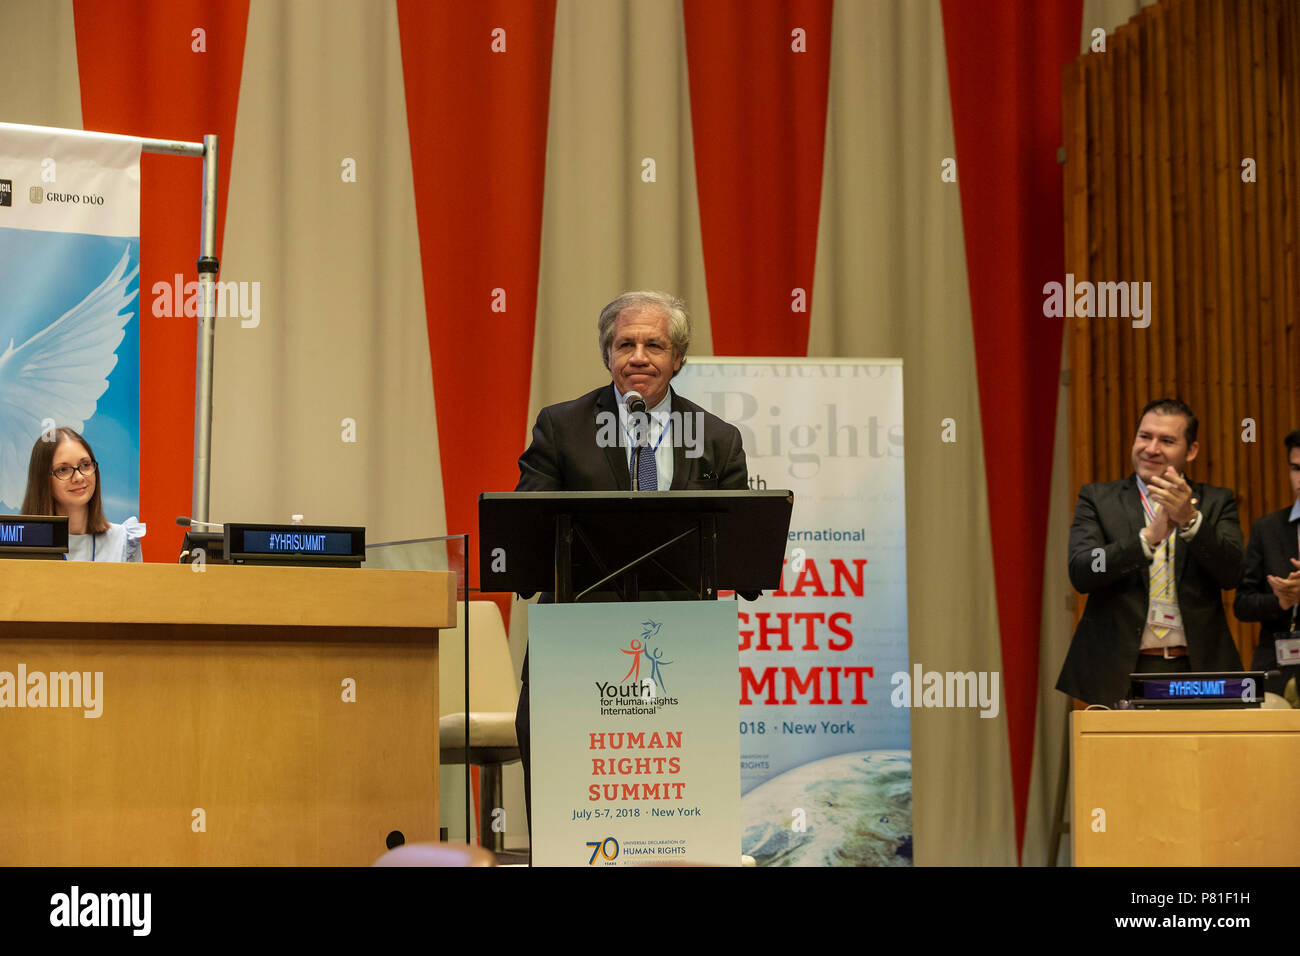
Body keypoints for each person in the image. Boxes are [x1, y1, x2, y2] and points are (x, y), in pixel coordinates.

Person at [513, 290, 749, 838]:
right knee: (566, 813)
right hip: (576, 641)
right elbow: (526, 527)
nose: (638, 356)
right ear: (607, 355)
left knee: (673, 813)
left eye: (654, 345)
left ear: (679, 359)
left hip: (681, 651)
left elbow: (740, 543)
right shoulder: (562, 426)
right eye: (625, 344)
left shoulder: (717, 438)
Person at [1056, 398, 1244, 706]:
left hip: (1197, 670)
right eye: (1145, 436)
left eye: (1167, 440)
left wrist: (1191, 523)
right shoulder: (1099, 499)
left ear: (1191, 450)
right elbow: (1083, 570)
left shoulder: (1215, 502)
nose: (1151, 448)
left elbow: (1233, 572)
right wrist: (1146, 539)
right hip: (1118, 670)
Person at [1233, 429, 1300, 698]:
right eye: (1296, 468)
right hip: (1275, 669)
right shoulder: (1267, 528)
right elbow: (1242, 605)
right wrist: (1281, 601)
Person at [21, 427, 145, 562]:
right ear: (43, 481)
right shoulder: (23, 543)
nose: (79, 477)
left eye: (85, 465)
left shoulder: (122, 541)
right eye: (63, 469)